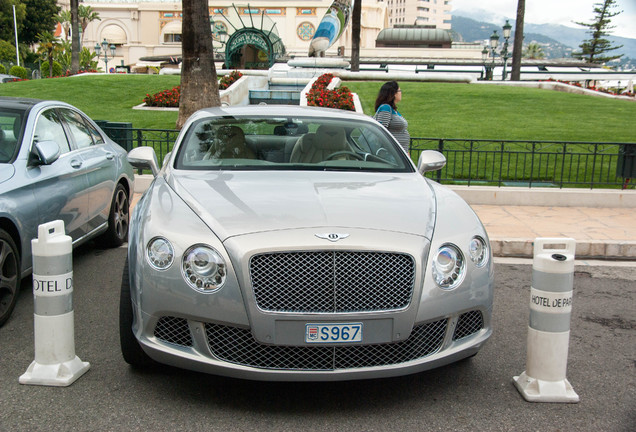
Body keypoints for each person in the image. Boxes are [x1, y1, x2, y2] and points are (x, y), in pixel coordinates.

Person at [373, 81, 410, 152]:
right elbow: (381, 131)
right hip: (390, 154)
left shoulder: (393, 110)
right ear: (393, 93)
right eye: (399, 91)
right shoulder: (386, 108)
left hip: (399, 152)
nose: (401, 93)